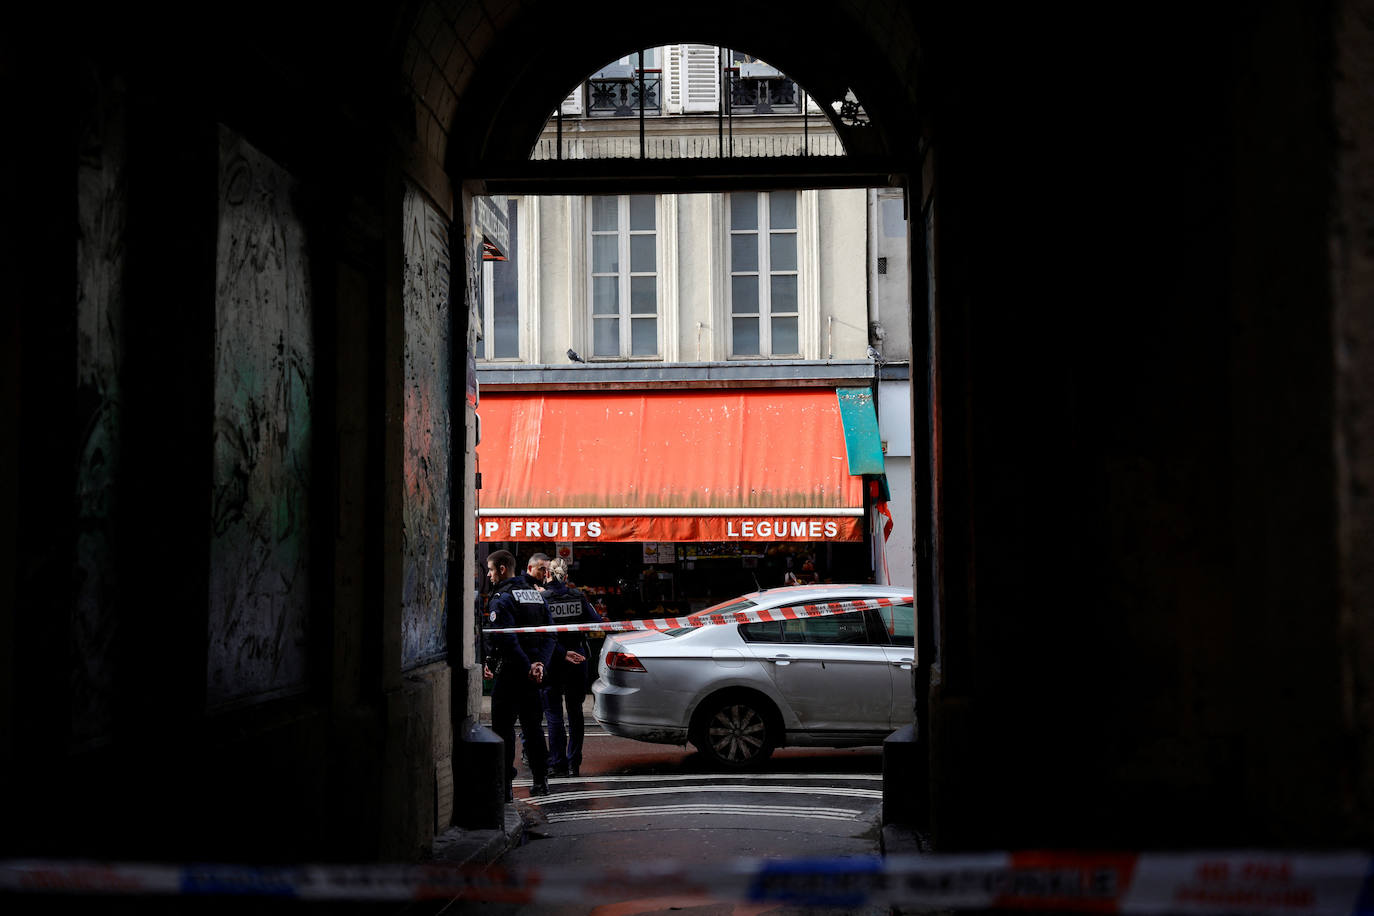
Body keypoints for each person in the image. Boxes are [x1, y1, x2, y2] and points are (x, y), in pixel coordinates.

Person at [485, 549, 554, 800]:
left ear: (502, 569)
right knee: (533, 728)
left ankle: (505, 787)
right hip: (533, 675)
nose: (490, 575)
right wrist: (540, 665)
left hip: (512, 673)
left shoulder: (502, 597)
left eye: (491, 570)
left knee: (503, 730)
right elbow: (550, 634)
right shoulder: (535, 596)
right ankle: (541, 780)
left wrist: (527, 665)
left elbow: (507, 639)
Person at [540, 557, 606, 778]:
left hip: (553, 660)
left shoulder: (543, 599)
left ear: (547, 575)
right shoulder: (579, 597)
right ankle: (573, 762)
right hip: (578, 659)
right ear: (566, 576)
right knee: (576, 713)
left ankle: (557, 762)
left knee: (553, 713)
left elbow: (539, 634)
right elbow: (596, 621)